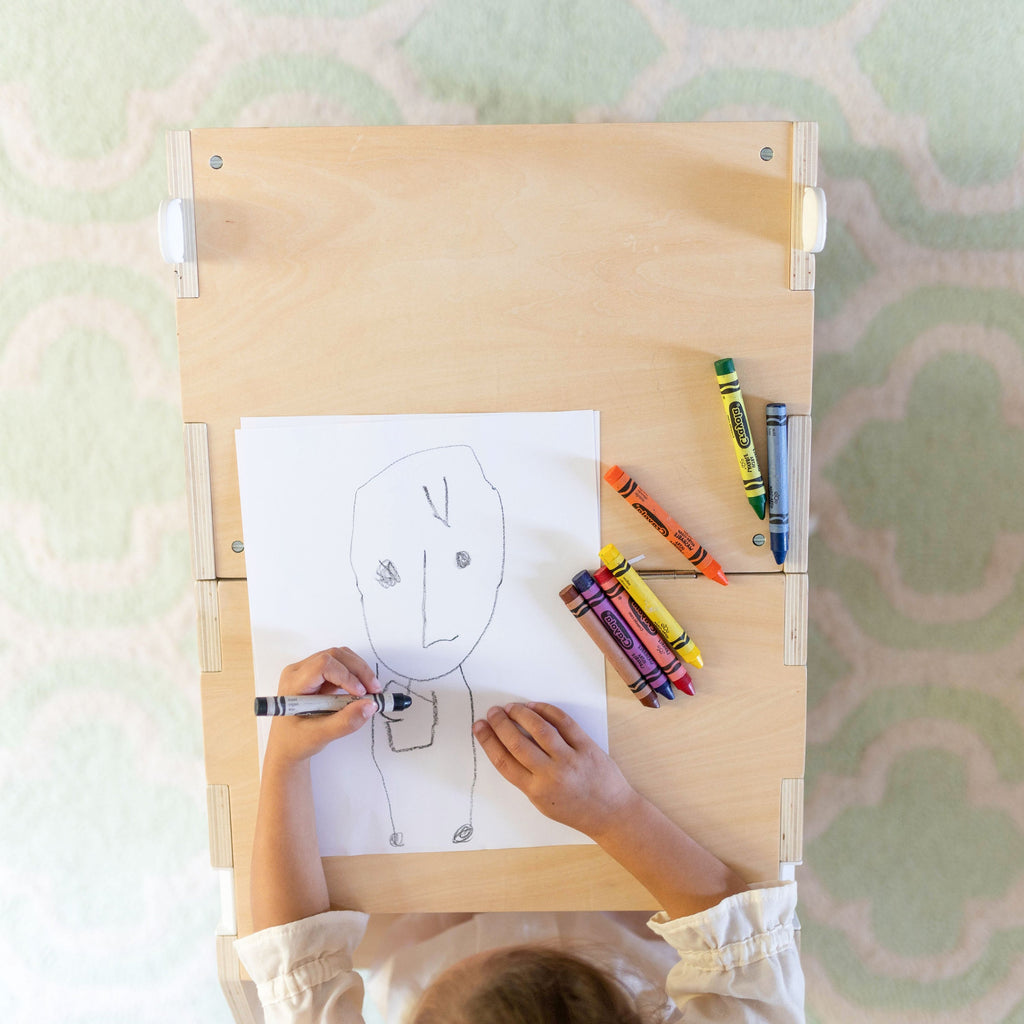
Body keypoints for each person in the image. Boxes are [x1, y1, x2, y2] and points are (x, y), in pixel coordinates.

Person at [238, 647, 805, 1023]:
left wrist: (285, 756)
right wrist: (614, 811)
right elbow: (740, 944)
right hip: (631, 936)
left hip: (423, 934)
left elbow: (293, 962)